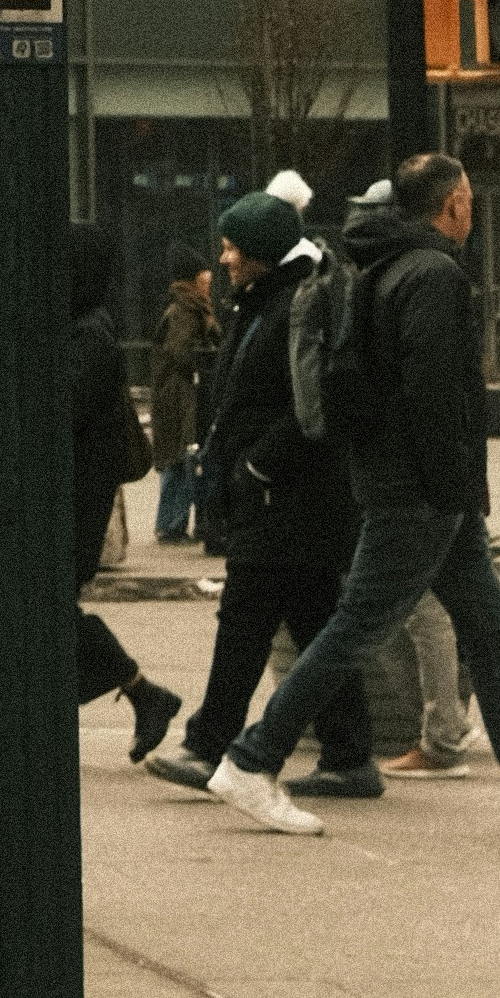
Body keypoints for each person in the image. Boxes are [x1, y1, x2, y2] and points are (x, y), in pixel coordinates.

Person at [209, 151, 500, 837]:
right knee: (357, 627)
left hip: (418, 488)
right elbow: (431, 392)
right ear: (455, 202)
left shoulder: (380, 266)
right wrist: (449, 488)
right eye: (469, 200)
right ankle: (251, 760)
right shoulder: (432, 274)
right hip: (423, 493)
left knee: (489, 629)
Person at [146, 193, 383, 801]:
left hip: (286, 496)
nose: (223, 259)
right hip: (284, 495)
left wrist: (255, 468)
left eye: (233, 248)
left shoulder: (294, 306)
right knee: (313, 621)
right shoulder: (270, 300)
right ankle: (350, 754)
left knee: (246, 621)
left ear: (262, 252)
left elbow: (310, 405)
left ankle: (208, 744)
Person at [63, 226, 188, 759]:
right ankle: (144, 694)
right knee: (50, 614)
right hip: (75, 500)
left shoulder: (88, 335)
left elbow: (65, 410)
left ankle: (144, 692)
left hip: (74, 504)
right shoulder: (84, 328)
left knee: (45, 614)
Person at [147, 255, 219, 545]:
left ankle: (172, 523)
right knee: (181, 456)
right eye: (204, 273)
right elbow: (181, 351)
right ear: (194, 278)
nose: (210, 277)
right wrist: (206, 361)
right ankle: (171, 524)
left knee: (179, 455)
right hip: (181, 393)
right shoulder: (186, 310)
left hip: (179, 391)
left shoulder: (189, 306)